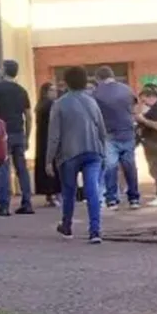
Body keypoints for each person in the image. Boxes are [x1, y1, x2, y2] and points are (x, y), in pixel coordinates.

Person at [47, 66, 109, 244]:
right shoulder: (92, 102)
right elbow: (102, 130)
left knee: (69, 191)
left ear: (66, 82)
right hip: (93, 150)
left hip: (69, 153)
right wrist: (103, 152)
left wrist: (48, 160)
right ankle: (95, 230)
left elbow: (54, 136)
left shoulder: (59, 104)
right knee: (93, 189)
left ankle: (67, 226)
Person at [0, 60, 35, 216]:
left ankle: (4, 204)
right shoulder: (21, 91)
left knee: (3, 167)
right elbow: (28, 116)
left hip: (3, 133)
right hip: (18, 132)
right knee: (22, 168)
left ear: (4, 71)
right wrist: (27, 135)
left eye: (1, 67)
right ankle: (27, 202)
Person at [92, 66, 142, 210]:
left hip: (109, 134)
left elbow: (94, 115)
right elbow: (135, 108)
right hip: (127, 132)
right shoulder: (126, 89)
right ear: (112, 75)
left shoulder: (96, 93)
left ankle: (112, 199)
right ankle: (134, 199)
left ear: (98, 78)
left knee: (110, 167)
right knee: (130, 166)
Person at [33, 83, 59, 206]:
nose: (55, 92)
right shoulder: (51, 105)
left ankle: (50, 195)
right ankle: (54, 193)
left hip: (42, 139)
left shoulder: (40, 105)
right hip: (50, 139)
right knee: (52, 165)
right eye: (52, 90)